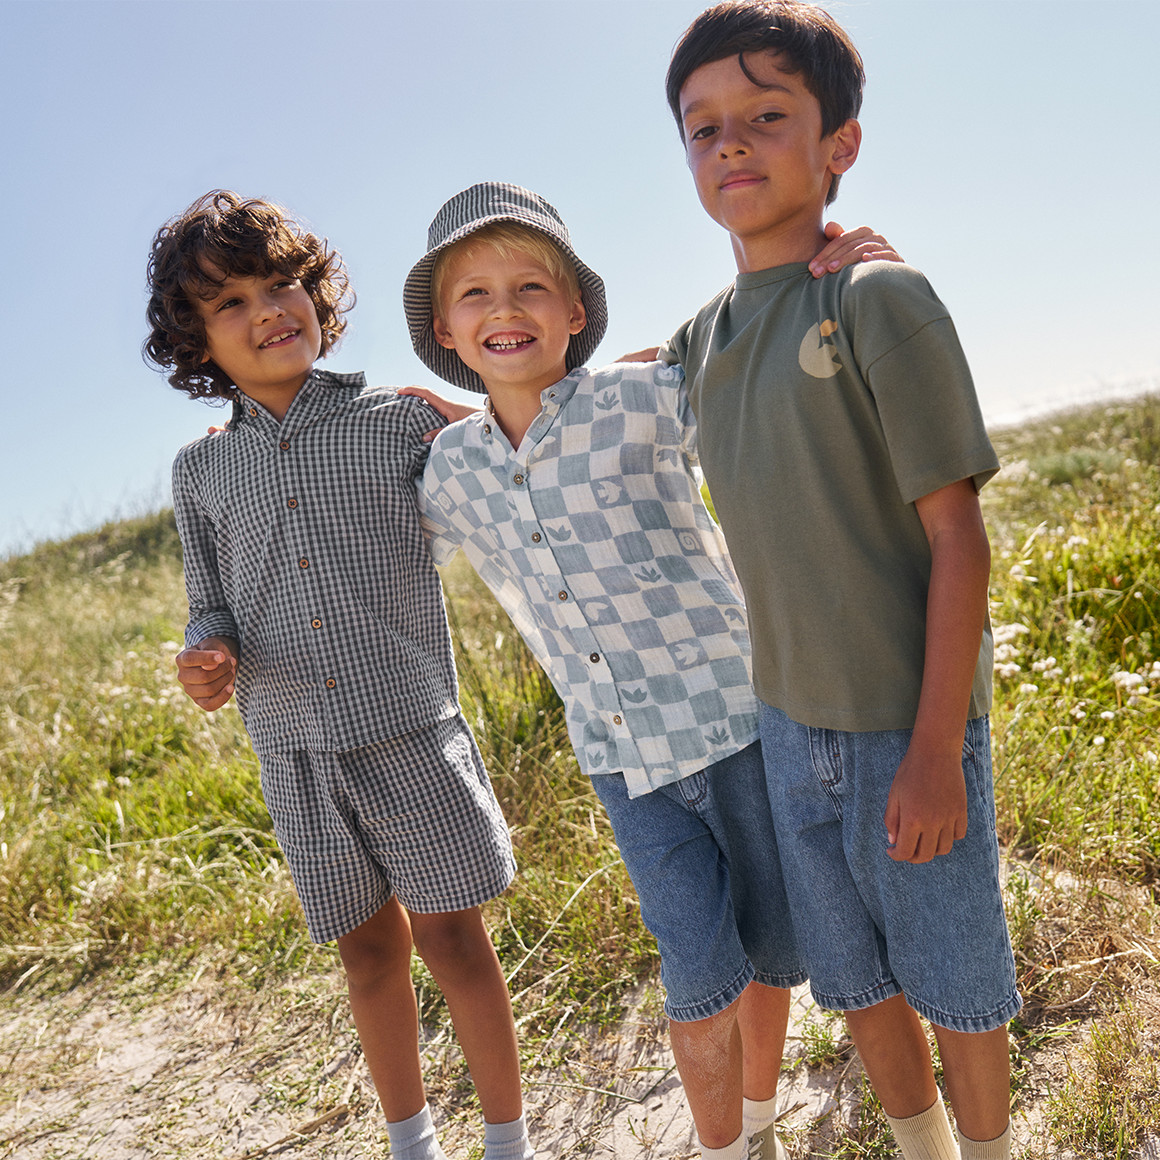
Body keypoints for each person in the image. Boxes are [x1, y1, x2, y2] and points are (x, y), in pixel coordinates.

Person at [404, 182, 896, 1160]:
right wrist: (262, 440)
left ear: (573, 310)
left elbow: (756, 356)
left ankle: (758, 1126)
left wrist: (837, 278)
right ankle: (722, 1146)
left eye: (530, 286)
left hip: (741, 724)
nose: (504, 309)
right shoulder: (449, 469)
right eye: (474, 295)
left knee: (772, 955)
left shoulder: (640, 396)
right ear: (445, 331)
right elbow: (374, 542)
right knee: (696, 981)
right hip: (625, 763)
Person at [661, 4, 1022, 1159]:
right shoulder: (699, 338)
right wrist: (453, 399)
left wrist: (933, 751)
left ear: (838, 144)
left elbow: (958, 538)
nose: (730, 143)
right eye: (702, 127)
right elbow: (577, 395)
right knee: (855, 981)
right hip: (784, 723)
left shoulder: (875, 298)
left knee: (956, 982)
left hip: (905, 722)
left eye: (766, 115)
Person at [145, 190, 531, 1160]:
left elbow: (517, 442)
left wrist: (470, 411)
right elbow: (209, 600)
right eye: (230, 302)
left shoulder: (394, 422)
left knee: (455, 941)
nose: (267, 311)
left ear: (315, 294)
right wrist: (207, 652)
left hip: (409, 731)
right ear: (196, 340)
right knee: (367, 953)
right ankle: (410, 1142)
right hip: (294, 751)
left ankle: (508, 1142)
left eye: (281, 284)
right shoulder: (200, 472)